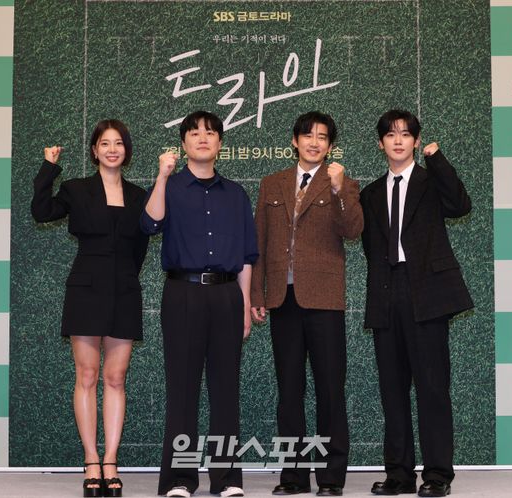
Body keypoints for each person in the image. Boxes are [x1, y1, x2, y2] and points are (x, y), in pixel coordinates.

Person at [140, 111, 258, 498]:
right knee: (182, 390)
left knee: (226, 391)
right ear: (183, 143)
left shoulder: (236, 194)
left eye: (210, 133)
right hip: (182, 293)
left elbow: (246, 256)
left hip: (227, 296)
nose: (202, 138)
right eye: (194, 133)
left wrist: (244, 304)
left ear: (221, 143)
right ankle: (179, 479)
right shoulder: (170, 187)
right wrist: (161, 176)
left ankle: (227, 480)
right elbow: (150, 224)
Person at [31, 119, 149, 498]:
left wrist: (125, 277)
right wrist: (49, 167)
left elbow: (141, 247)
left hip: (124, 290)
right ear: (95, 150)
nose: (112, 149)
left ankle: (111, 461)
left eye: (119, 143)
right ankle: (91, 460)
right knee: (87, 375)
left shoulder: (138, 196)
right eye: (105, 143)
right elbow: (42, 212)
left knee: (116, 377)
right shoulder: (76, 189)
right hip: (85, 289)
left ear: (127, 151)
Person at [360, 110, 473, 497]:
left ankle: (438, 475)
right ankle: (399, 474)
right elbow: (370, 248)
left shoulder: (431, 181)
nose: (398, 140)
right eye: (391, 135)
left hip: (427, 293)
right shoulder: (370, 193)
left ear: (416, 141)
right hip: (386, 292)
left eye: (406, 134)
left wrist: (436, 158)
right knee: (392, 391)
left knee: (432, 388)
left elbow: (460, 205)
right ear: (380, 143)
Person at [250, 111, 363, 497]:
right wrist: (257, 294)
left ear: (330, 145)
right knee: (289, 391)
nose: (315, 142)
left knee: (330, 389)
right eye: (308, 135)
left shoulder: (343, 182)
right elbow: (259, 243)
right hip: (283, 299)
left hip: (324, 300)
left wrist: (339, 189)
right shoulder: (272, 183)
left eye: (323, 137)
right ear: (295, 140)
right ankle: (293, 477)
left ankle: (331, 478)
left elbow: (353, 230)